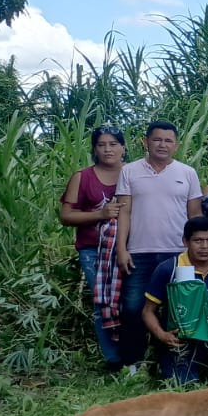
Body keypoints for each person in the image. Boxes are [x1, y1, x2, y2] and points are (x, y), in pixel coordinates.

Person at [115, 121, 203, 370]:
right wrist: (122, 248)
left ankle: (173, 361)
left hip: (177, 253)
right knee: (133, 308)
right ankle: (131, 363)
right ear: (146, 142)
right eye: (156, 139)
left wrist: (194, 252)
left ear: (175, 145)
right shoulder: (129, 172)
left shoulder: (187, 173)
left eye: (168, 141)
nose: (162, 145)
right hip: (138, 253)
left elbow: (194, 215)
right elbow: (124, 212)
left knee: (177, 309)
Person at [140, 217, 208, 384]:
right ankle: (176, 364)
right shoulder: (168, 268)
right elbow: (148, 311)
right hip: (182, 337)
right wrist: (162, 335)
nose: (204, 247)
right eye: (198, 241)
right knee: (183, 387)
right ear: (185, 241)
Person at [59, 126, 126, 371]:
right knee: (103, 302)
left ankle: (133, 354)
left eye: (113, 144)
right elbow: (66, 215)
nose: (107, 149)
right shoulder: (83, 177)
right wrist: (100, 214)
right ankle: (113, 360)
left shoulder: (133, 174)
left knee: (130, 301)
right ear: (94, 149)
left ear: (123, 147)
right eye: (101, 144)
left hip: (129, 247)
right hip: (93, 250)